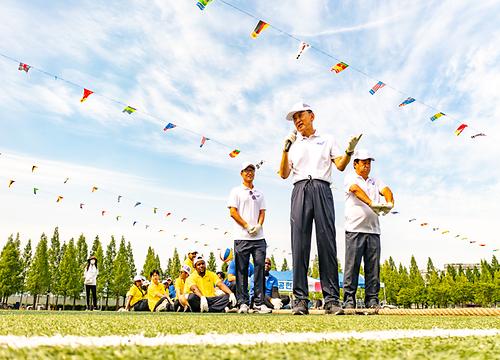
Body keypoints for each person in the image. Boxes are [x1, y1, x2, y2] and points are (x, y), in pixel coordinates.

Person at [279, 101, 362, 315]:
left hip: (322, 188)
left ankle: (332, 300)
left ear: (311, 115)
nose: (297, 120)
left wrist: (349, 150)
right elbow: (283, 174)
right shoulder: (293, 144)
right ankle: (300, 301)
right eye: (294, 117)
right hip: (299, 189)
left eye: (300, 115)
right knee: (299, 245)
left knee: (327, 243)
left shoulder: (327, 139)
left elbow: (341, 165)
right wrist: (285, 149)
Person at [343, 149, 394, 309]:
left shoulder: (375, 181)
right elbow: (356, 190)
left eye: (369, 162)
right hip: (354, 229)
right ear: (355, 164)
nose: (366, 165)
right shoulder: (350, 178)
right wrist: (372, 203)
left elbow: (387, 190)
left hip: (373, 231)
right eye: (363, 162)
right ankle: (349, 299)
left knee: (373, 268)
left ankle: (372, 299)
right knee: (353, 266)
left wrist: (389, 202)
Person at [228, 162, 271, 314]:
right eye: (246, 170)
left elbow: (262, 212)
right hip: (242, 237)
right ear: (241, 173)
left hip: (259, 238)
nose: (249, 173)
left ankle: (259, 303)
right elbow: (233, 212)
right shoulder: (236, 191)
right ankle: (243, 303)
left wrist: (259, 225)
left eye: (252, 170)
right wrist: (246, 226)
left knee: (260, 270)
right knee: (241, 271)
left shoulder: (260, 193)